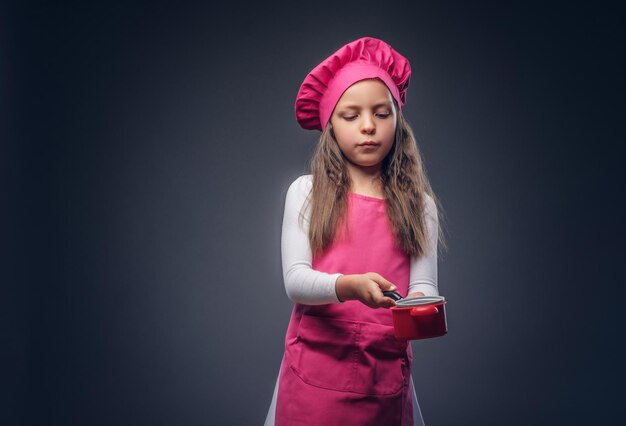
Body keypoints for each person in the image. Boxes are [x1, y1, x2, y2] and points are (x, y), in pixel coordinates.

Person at [265, 36, 445, 426]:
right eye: (351, 116)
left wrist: (419, 303)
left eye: (382, 113)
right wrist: (349, 286)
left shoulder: (420, 205)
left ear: (398, 118)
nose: (368, 126)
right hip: (314, 372)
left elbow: (424, 286)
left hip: (383, 374)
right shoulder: (307, 192)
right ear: (330, 123)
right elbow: (295, 281)